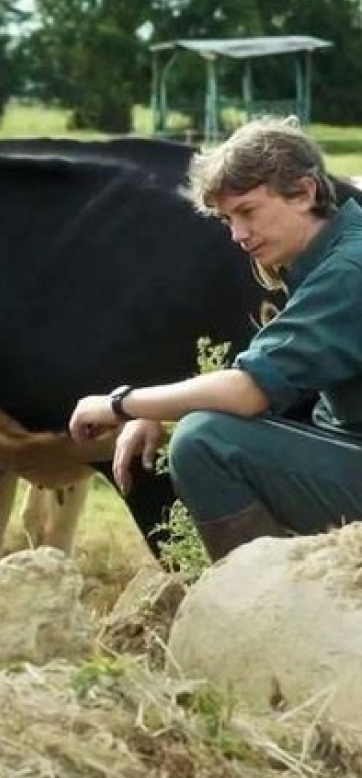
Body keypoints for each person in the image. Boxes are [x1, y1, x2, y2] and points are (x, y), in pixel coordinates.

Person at [68, 116, 362, 561]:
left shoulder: (348, 270)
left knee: (205, 443)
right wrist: (159, 411)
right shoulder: (337, 253)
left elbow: (248, 391)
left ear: (305, 193)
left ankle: (267, 607)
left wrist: (120, 403)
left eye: (247, 212)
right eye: (227, 219)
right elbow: (283, 376)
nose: (238, 236)